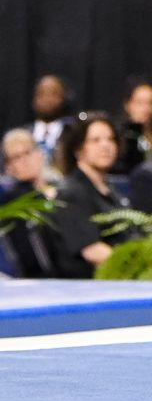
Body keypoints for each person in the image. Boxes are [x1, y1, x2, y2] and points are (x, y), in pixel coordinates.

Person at [50, 112, 127, 279]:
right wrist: (137, 266)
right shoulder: (70, 193)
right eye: (96, 140)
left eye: (110, 139)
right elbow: (93, 251)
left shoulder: (111, 190)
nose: (106, 145)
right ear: (78, 150)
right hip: (93, 285)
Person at [1, 128, 56, 277]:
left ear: (39, 154)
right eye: (16, 157)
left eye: (27, 152)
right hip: (46, 279)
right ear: (9, 167)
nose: (24, 160)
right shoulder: (15, 200)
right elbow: (29, 256)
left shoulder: (61, 188)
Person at [116, 78, 152, 176]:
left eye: (151, 103)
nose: (146, 109)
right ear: (127, 105)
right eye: (139, 103)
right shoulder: (118, 136)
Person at [26, 74, 72, 163]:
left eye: (53, 94)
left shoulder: (73, 132)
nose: (47, 99)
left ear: (64, 98)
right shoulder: (22, 134)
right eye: (41, 93)